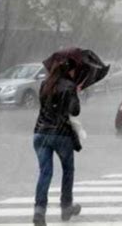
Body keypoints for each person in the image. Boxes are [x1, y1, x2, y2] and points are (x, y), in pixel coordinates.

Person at [32, 59, 82, 226]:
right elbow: (75, 111)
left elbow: (46, 107)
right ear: (69, 71)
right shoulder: (69, 86)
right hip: (61, 134)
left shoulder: (45, 84)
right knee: (68, 170)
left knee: (45, 173)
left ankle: (39, 211)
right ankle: (66, 206)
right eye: (74, 71)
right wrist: (75, 92)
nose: (75, 74)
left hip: (40, 133)